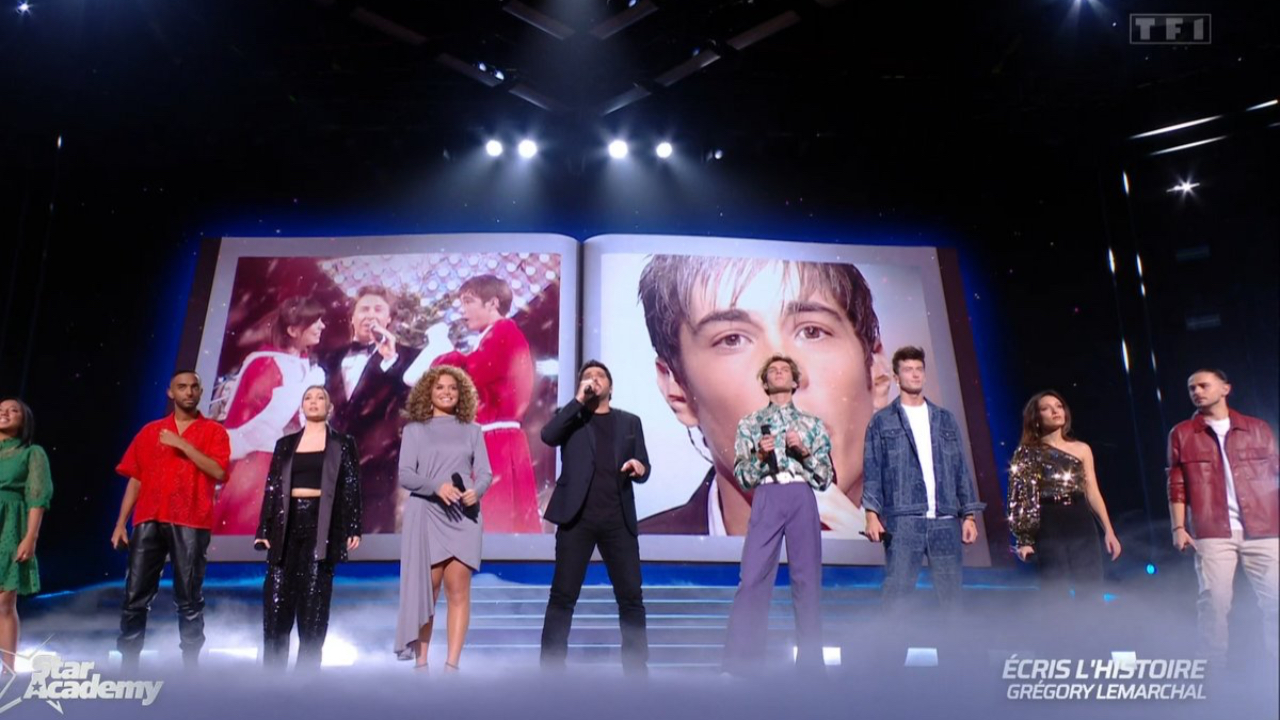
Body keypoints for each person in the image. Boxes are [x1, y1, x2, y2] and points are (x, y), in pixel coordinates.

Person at [636, 255, 890, 537]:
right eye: (732, 339)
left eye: (812, 331)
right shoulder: (620, 564)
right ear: (678, 388)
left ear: (877, 373)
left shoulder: (938, 549)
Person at [111, 370, 231, 671]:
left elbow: (218, 472)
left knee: (189, 597)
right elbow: (136, 478)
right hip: (149, 517)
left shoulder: (214, 431)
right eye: (182, 387)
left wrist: (184, 445)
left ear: (201, 392)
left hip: (191, 520)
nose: (188, 392)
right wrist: (120, 523)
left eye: (193, 387)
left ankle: (190, 666)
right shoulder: (150, 431)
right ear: (170, 392)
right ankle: (129, 665)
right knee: (135, 594)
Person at [722, 356, 832, 675]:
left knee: (807, 580)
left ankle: (811, 668)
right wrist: (759, 456)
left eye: (785, 370)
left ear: (795, 382)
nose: (779, 373)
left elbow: (825, 478)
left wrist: (804, 453)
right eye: (772, 371)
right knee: (753, 576)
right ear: (765, 383)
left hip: (800, 493)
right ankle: (742, 663)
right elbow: (742, 476)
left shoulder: (812, 424)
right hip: (768, 494)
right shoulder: (750, 423)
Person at [540, 361, 651, 675]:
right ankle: (550, 671)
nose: (593, 380)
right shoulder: (572, 418)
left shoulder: (630, 422)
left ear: (611, 387)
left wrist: (640, 468)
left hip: (618, 519)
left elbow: (643, 463)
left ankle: (636, 670)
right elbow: (548, 436)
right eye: (587, 377)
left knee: (631, 597)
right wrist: (578, 401)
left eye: (600, 376)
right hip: (577, 519)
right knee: (563, 596)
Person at [409, 274, 538, 533]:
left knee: (494, 519)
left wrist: (441, 354)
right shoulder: (497, 334)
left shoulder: (503, 331)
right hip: (497, 438)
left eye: (469, 301)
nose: (463, 309)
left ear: (492, 303)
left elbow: (472, 372)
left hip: (496, 441)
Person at [1167, 369, 1278, 666]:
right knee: (1214, 603)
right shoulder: (1182, 433)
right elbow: (1176, 484)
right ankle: (1213, 672)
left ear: (1226, 388)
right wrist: (1178, 526)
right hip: (1212, 529)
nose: (1197, 392)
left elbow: (1275, 474)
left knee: (1276, 603)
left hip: (1265, 528)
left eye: (1204, 385)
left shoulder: (1257, 428)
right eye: (1192, 388)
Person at [863, 346, 984, 610]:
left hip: (945, 518)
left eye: (919, 370)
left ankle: (954, 652)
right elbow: (872, 468)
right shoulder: (882, 421)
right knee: (897, 596)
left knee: (951, 599)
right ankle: (891, 652)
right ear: (897, 377)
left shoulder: (945, 419)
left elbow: (960, 468)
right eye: (908, 370)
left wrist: (970, 516)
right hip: (904, 519)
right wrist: (872, 514)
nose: (915, 375)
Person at [254, 386, 362, 670]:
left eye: (320, 398)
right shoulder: (285, 444)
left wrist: (353, 525)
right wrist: (264, 529)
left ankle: (306, 682)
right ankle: (272, 679)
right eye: (308, 398)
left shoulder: (343, 443)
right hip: (286, 524)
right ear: (301, 406)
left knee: (314, 603)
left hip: (322, 524)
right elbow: (273, 488)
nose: (314, 402)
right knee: (277, 601)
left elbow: (350, 485)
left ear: (330, 408)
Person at [395, 366, 492, 670]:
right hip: (427, 514)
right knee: (428, 591)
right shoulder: (414, 430)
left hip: (463, 516)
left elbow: (486, 473)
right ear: (428, 392)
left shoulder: (473, 430)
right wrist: (437, 487)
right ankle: (421, 665)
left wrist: (476, 491)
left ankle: (452, 666)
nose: (447, 393)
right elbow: (406, 475)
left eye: (453, 388)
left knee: (459, 590)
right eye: (440, 388)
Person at [216, 295, 327, 534]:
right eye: (315, 321)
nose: (322, 326)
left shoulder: (306, 365)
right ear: (293, 330)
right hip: (259, 466)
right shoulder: (265, 364)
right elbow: (262, 424)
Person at [318, 285, 422, 534]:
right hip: (330, 462)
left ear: (389, 318)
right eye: (364, 309)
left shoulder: (408, 357)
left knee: (371, 536)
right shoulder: (327, 358)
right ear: (352, 316)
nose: (371, 315)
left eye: (378, 309)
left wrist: (390, 361)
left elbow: (412, 403)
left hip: (378, 466)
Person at [1006, 391, 1121, 601]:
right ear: (1036, 417)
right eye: (1046, 408)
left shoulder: (1081, 449)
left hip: (1080, 518)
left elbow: (1092, 491)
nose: (1055, 411)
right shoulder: (1027, 453)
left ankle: (1094, 631)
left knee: (1091, 587)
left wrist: (1109, 531)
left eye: (1058, 406)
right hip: (1049, 522)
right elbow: (1020, 498)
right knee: (1055, 590)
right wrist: (1024, 540)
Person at [0, 398, 52, 675]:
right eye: (0, 409)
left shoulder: (32, 453)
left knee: (4, 603)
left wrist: (30, 537)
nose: (5, 412)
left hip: (9, 525)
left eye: (13, 410)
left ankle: (7, 672)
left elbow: (37, 497)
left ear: (24, 419)